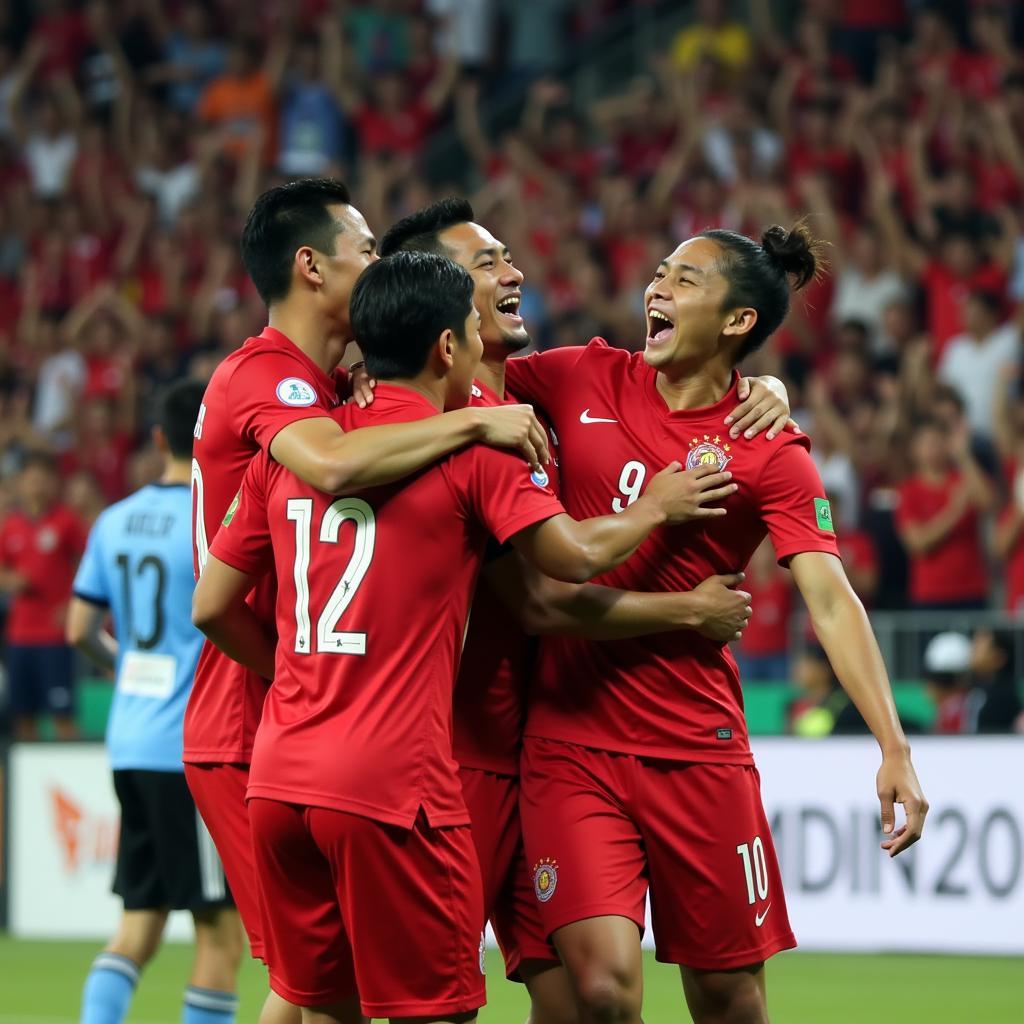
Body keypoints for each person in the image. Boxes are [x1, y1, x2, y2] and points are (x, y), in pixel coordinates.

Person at [190, 251, 733, 1024]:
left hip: (278, 778)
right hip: (394, 783)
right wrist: (656, 509)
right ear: (448, 347)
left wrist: (299, 681)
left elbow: (211, 605)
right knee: (437, 1012)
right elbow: (571, 560)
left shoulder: (292, 451)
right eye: (474, 333)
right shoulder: (475, 450)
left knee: (319, 1007)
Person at [503, 224, 928, 1024]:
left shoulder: (770, 450)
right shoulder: (581, 376)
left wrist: (894, 747)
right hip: (571, 741)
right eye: (659, 273)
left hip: (699, 748)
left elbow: (831, 598)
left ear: (737, 322)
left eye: (685, 281)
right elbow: (462, 375)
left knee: (731, 1000)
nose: (656, 289)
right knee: (599, 993)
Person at [379, 197, 789, 1021]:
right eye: (485, 263)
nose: (514, 271)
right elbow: (539, 596)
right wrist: (682, 607)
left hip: (541, 749)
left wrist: (760, 381)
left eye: (505, 256)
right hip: (453, 757)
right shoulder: (448, 432)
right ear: (437, 307)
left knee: (584, 1004)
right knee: (400, 1001)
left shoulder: (538, 396)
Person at [183, 179, 557, 1024]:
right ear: (311, 267)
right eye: (367, 252)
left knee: (327, 990)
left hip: (300, 714)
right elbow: (335, 469)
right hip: (269, 711)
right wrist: (472, 426)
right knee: (315, 993)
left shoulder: (329, 387)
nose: (383, 266)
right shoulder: (274, 384)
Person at [67, 380, 243, 1024]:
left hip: (129, 742)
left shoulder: (113, 520)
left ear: (158, 438)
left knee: (138, 924)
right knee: (220, 934)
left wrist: (131, 669)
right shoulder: (214, 520)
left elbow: (78, 628)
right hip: (190, 750)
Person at [0, 451, 87, 740]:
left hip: (54, 635)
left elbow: (91, 562)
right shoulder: (11, 525)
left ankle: (72, 780)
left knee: (63, 718)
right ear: (21, 482)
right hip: (19, 637)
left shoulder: (66, 521)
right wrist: (12, 579)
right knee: (23, 720)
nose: (37, 484)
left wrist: (74, 603)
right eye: (31, 477)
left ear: (53, 482)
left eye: (43, 477)